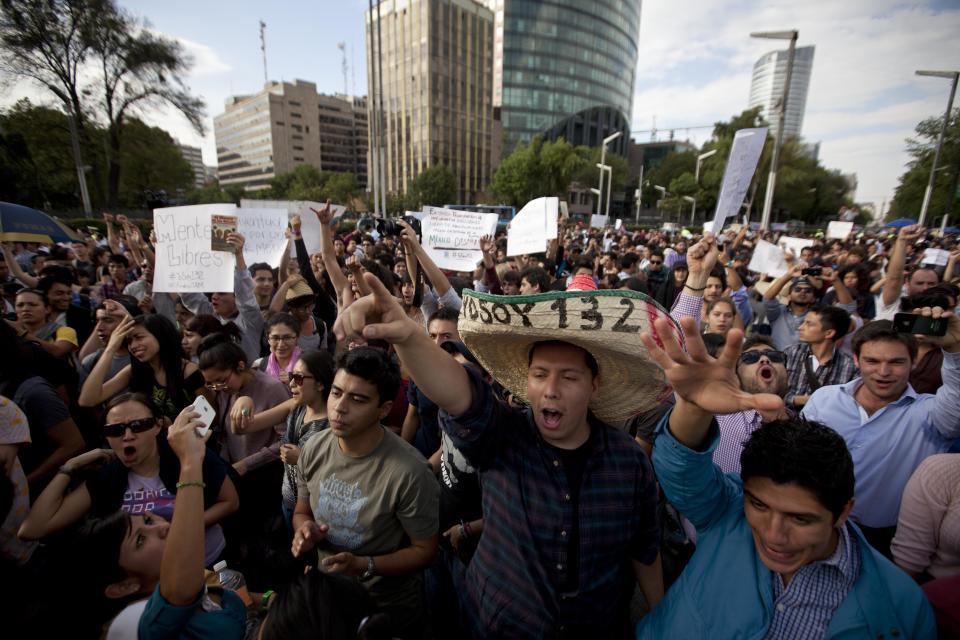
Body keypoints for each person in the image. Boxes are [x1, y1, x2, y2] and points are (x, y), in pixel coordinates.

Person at [334, 273, 665, 638]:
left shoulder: (629, 464)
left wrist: (664, 619)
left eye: (569, 377)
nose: (551, 390)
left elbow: (644, 549)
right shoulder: (502, 435)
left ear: (594, 385)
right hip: (495, 627)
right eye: (540, 375)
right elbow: (460, 396)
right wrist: (410, 336)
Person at [635, 315, 936, 638]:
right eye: (760, 506)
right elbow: (682, 470)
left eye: (800, 519)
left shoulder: (901, 606)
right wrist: (693, 408)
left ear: (844, 511)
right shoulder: (728, 513)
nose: (775, 536)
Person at [291, 347, 439, 639]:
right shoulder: (312, 448)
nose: (340, 408)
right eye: (336, 393)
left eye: (357, 399)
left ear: (383, 409)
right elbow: (301, 511)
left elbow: (424, 551)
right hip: (329, 602)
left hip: (386, 610)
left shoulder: (409, 472)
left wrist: (364, 565)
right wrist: (304, 531)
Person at [78, 407, 248, 639]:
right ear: (123, 587)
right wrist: (190, 462)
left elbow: (234, 598)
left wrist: (269, 601)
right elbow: (180, 593)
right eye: (139, 540)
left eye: (148, 519)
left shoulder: (205, 576)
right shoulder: (134, 624)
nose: (164, 526)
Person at [19, 393, 238, 567]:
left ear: (157, 426)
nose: (127, 436)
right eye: (115, 430)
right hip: (152, 580)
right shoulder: (107, 476)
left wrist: (178, 528)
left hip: (210, 563)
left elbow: (229, 502)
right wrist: (69, 467)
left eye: (139, 425)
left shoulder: (189, 454)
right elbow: (31, 530)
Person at [803, 315, 960, 555]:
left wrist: (955, 349)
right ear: (856, 359)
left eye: (896, 362)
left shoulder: (931, 414)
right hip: (813, 525)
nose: (883, 372)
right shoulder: (825, 399)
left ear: (914, 361)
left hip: (883, 542)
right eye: (872, 361)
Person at [79, 313, 207, 422]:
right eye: (129, 341)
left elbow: (211, 417)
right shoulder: (133, 370)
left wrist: (173, 428)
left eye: (139, 338)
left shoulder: (189, 371)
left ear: (160, 336)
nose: (133, 345)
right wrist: (110, 349)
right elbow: (87, 400)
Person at [179, 231, 264, 365]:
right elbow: (189, 294)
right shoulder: (210, 318)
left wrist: (238, 255)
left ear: (236, 298)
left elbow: (245, 293)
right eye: (213, 293)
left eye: (222, 293)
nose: (214, 297)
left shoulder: (249, 321)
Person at [782, 305, 857, 410]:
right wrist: (801, 400)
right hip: (785, 422)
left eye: (808, 324)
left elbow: (848, 405)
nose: (800, 327)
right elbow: (771, 392)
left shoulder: (849, 367)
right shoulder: (790, 354)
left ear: (829, 333)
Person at [877, 224, 939, 321]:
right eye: (919, 283)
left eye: (931, 284)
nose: (925, 288)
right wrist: (902, 241)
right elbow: (894, 279)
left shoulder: (942, 310)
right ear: (907, 285)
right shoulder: (896, 303)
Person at [11, 288, 78, 360]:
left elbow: (57, 352)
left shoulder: (64, 331)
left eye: (32, 305)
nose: (25, 309)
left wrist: (23, 333)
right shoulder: (10, 331)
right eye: (20, 305)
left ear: (47, 309)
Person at [253, 312, 303, 386]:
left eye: (287, 337)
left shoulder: (309, 363)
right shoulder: (259, 365)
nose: (281, 344)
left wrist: (295, 381)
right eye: (275, 338)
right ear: (268, 339)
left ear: (297, 338)